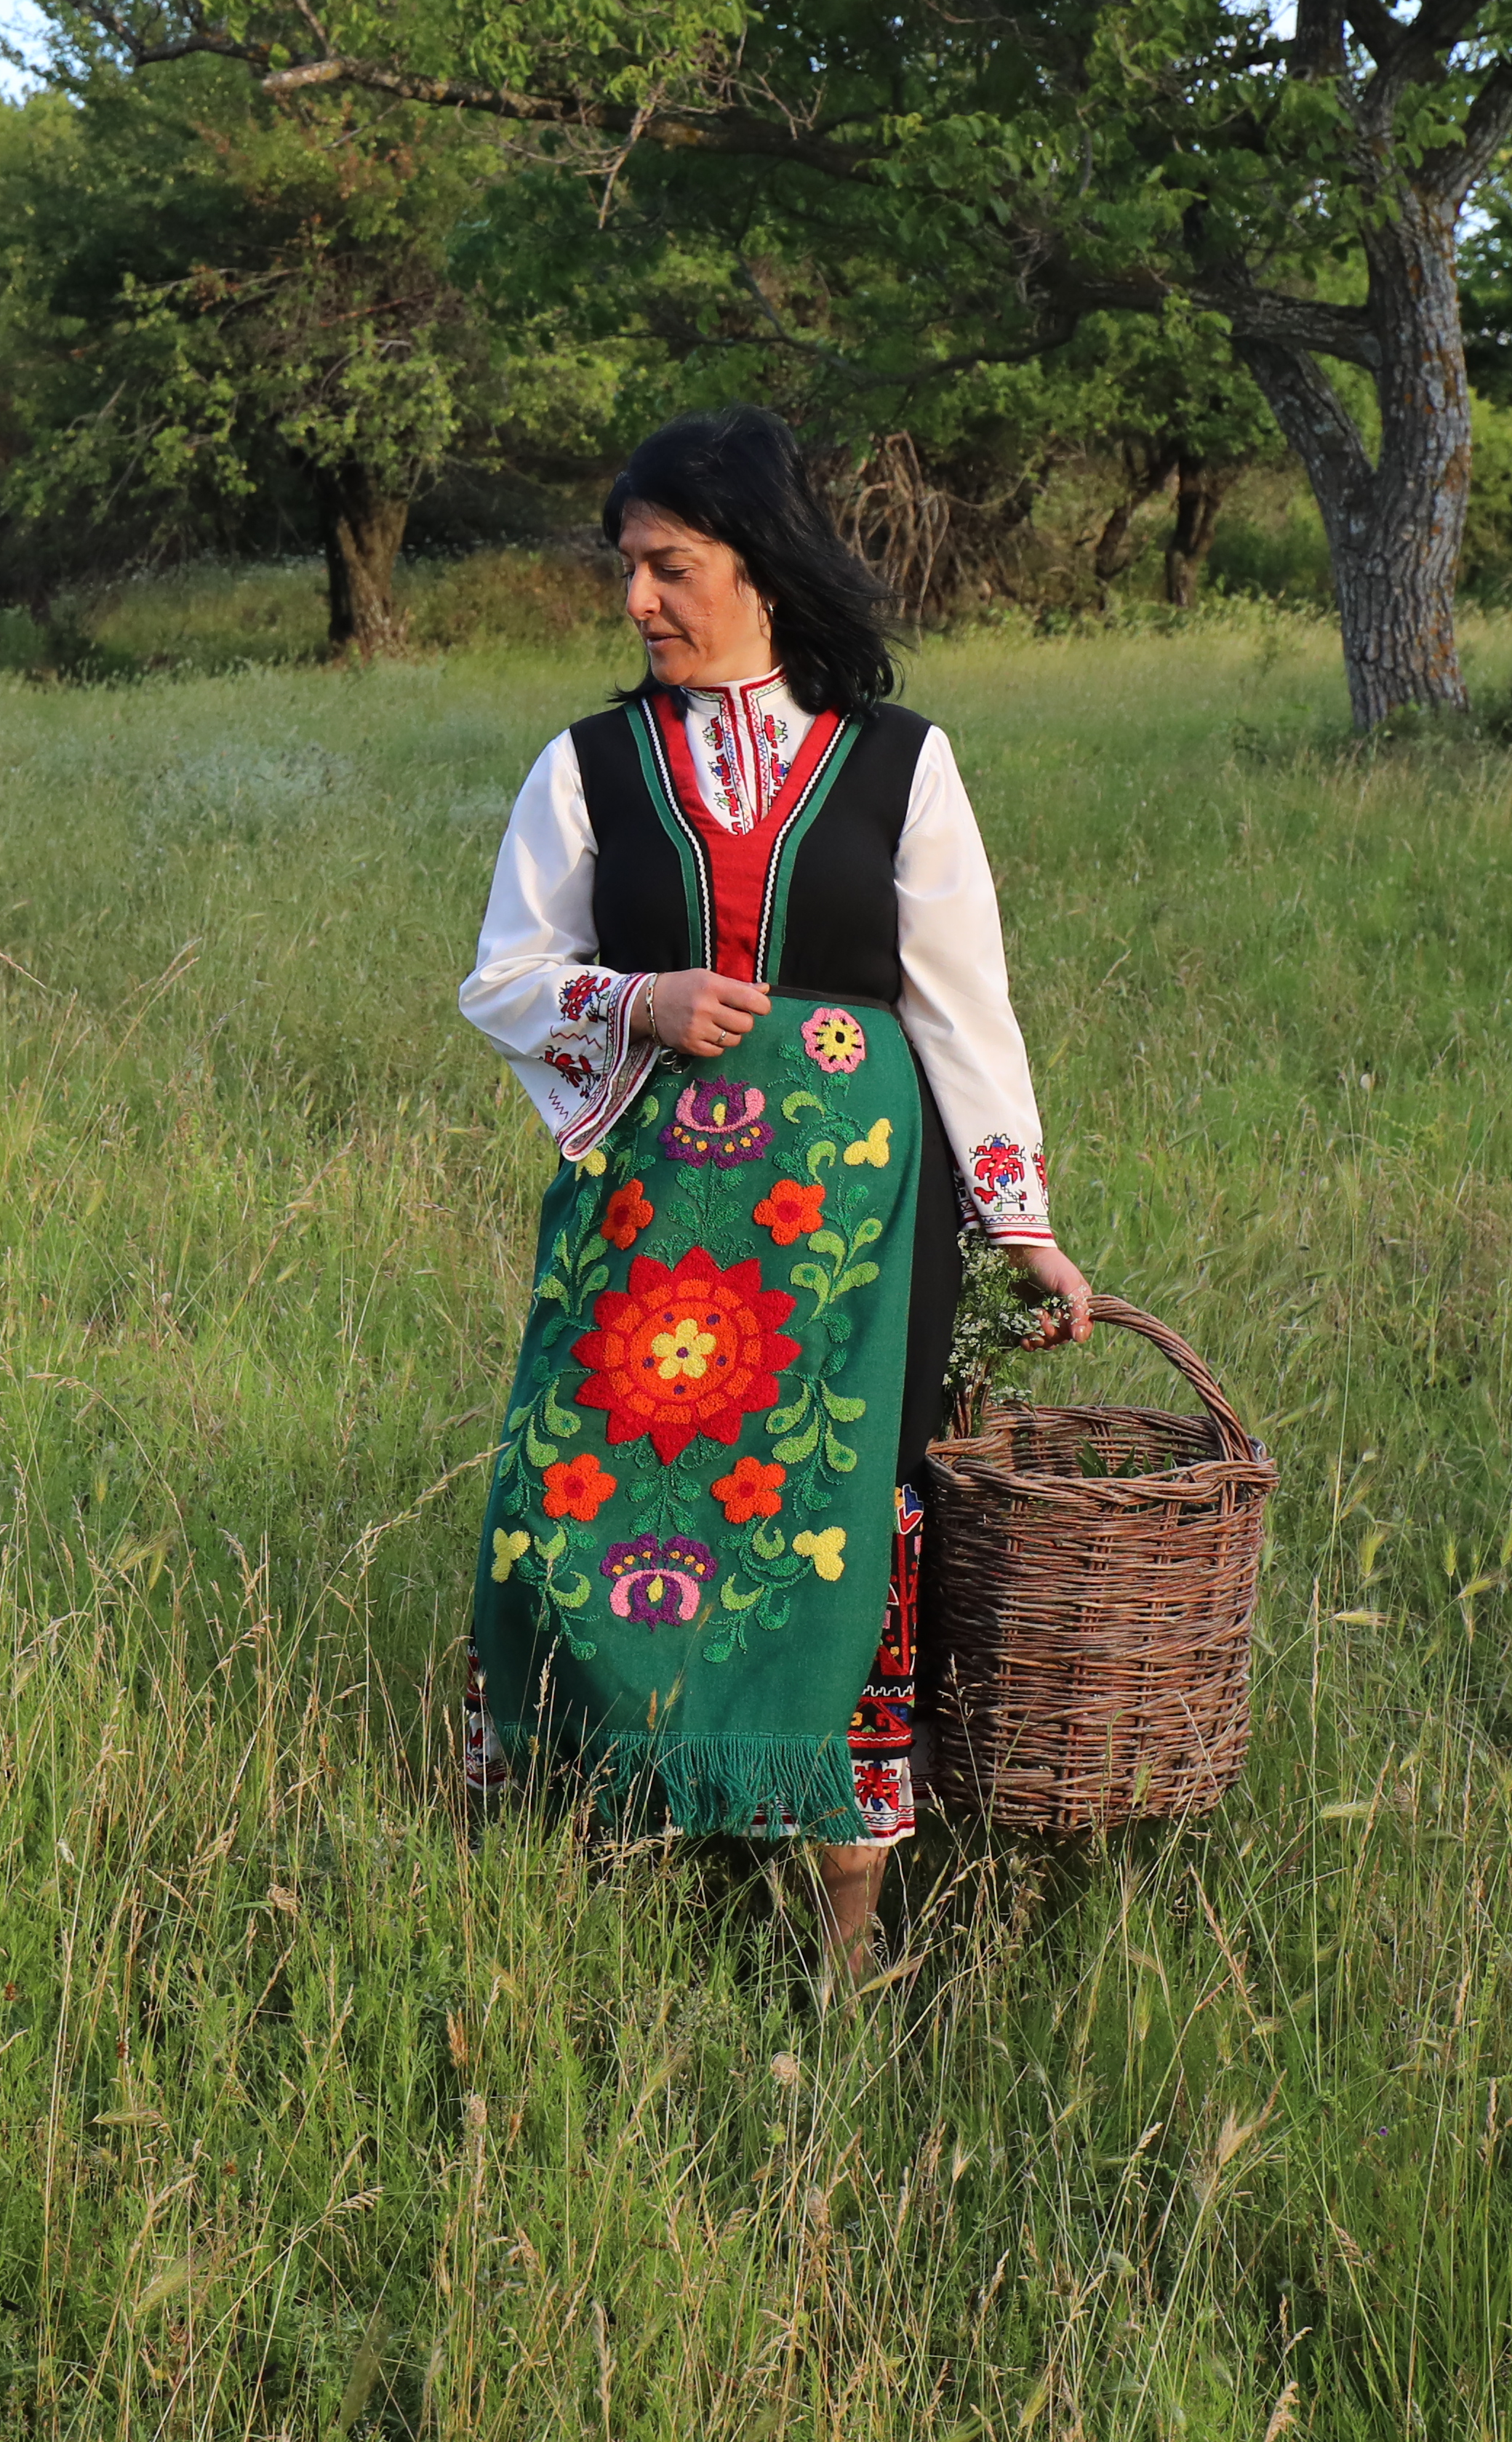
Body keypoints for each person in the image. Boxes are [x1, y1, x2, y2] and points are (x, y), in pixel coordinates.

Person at [455, 407, 1091, 1982]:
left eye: (671, 566)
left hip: (861, 1239)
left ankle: (847, 1929)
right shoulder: (588, 763)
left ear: (760, 564)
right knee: (594, 1509)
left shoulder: (900, 762)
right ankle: (622, 1811)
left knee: (839, 1525)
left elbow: (961, 1004)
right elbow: (506, 976)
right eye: (630, 570)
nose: (639, 602)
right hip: (653, 1232)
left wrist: (1020, 1222)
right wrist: (637, 1002)